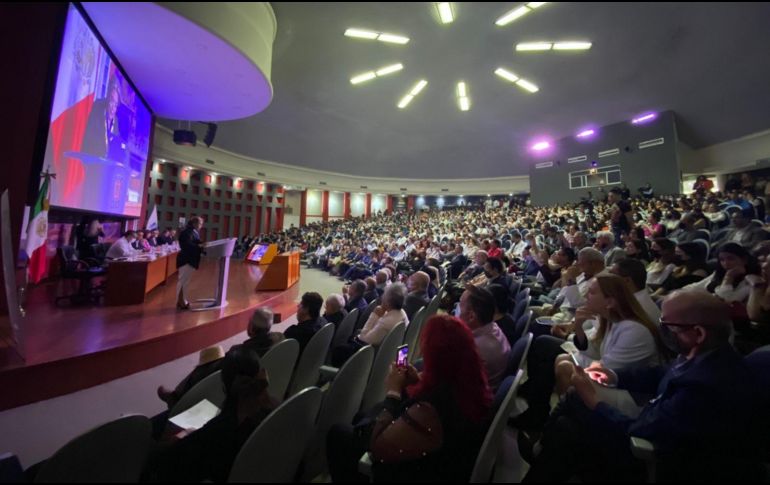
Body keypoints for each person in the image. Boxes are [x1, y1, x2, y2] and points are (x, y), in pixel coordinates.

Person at [522, 291, 765, 482]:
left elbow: (640, 429)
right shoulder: (705, 353)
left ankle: (541, 452)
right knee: (567, 429)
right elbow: (660, 373)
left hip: (662, 461)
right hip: (656, 426)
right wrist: (615, 376)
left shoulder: (705, 387)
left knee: (575, 406)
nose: (662, 329)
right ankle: (543, 452)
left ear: (698, 333)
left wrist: (594, 401)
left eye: (667, 325)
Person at [327, 315, 493, 483]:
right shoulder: (468, 381)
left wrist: (393, 391)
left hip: (419, 470)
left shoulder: (430, 411)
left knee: (338, 433)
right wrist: (417, 381)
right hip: (442, 455)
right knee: (361, 418)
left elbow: (378, 448)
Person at [517, 274, 665, 431]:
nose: (585, 295)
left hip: (631, 395)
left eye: (592, 292)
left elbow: (605, 371)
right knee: (562, 359)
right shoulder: (611, 320)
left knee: (565, 366)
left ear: (610, 302)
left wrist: (575, 359)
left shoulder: (634, 330)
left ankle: (564, 420)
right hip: (614, 380)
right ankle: (552, 417)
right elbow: (594, 351)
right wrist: (579, 327)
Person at [145, 345, 277, 483]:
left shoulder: (219, 430)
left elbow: (169, 460)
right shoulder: (273, 411)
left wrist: (179, 438)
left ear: (225, 386)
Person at [458, 284, 511, 389]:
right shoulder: (492, 326)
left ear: (471, 316)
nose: (457, 308)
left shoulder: (473, 349)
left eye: (460, 304)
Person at [176, 217, 205, 310]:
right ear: (194, 223)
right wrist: (200, 246)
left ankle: (182, 301)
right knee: (183, 282)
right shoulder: (187, 232)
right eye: (200, 223)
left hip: (190, 260)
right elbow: (187, 245)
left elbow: (196, 242)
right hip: (186, 260)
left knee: (185, 282)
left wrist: (202, 245)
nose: (201, 226)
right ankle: (181, 302)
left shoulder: (194, 232)